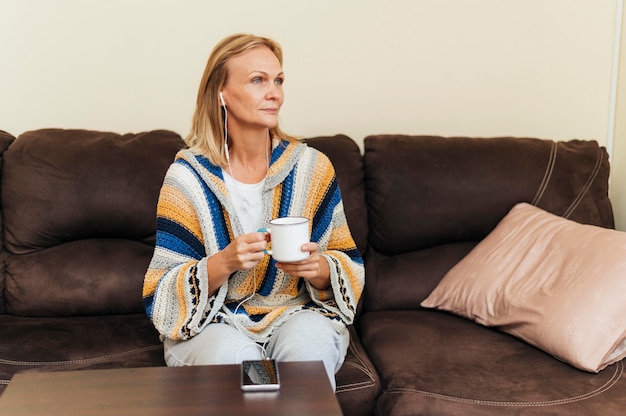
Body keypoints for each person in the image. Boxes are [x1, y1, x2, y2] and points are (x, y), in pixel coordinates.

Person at [142, 33, 364, 391]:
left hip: (295, 312)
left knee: (308, 351)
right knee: (249, 374)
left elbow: (347, 262)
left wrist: (318, 267)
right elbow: (163, 291)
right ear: (221, 93)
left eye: (278, 80)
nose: (274, 92)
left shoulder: (311, 168)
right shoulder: (187, 178)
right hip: (214, 323)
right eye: (258, 80)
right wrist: (225, 261)